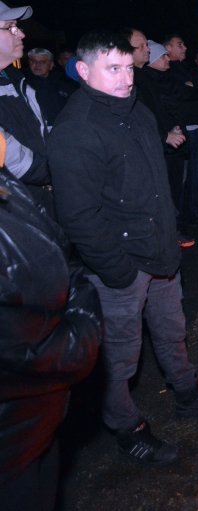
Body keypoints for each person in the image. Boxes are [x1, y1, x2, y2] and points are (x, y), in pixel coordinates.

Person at [48, 30, 198, 466]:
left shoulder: (136, 112)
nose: (125, 78)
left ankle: (187, 393)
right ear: (82, 71)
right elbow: (78, 216)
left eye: (128, 68)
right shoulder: (75, 130)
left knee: (172, 329)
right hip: (120, 265)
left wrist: (168, 236)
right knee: (119, 354)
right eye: (112, 69)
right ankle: (125, 426)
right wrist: (117, 271)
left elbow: (155, 184)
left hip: (160, 250)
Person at [0, 128, 102, 511]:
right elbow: (22, 345)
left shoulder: (7, 187)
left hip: (35, 426)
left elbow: (60, 254)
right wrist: (82, 332)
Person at [124, 29, 194, 248]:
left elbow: (158, 109)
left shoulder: (144, 76)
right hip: (149, 147)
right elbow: (135, 118)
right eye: (141, 46)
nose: (147, 49)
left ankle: (170, 231)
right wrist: (164, 135)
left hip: (163, 141)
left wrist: (170, 128)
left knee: (169, 190)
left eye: (147, 45)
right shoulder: (131, 78)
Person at [0, 1, 52, 215]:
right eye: (10, 27)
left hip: (38, 199)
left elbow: (40, 130)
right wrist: (58, 172)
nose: (20, 34)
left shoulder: (15, 78)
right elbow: (11, 158)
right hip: (14, 210)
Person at [164, 34, 198, 225]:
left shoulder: (187, 67)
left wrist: (195, 85)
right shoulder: (168, 70)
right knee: (183, 177)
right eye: (180, 44)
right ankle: (180, 217)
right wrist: (195, 86)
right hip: (185, 130)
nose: (185, 48)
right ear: (167, 48)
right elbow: (181, 93)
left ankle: (194, 212)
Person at [24, 47, 76, 127]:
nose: (37, 65)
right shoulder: (22, 84)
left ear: (51, 65)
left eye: (42, 62)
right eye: (33, 61)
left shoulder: (65, 83)